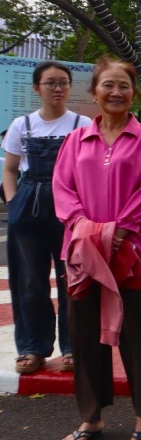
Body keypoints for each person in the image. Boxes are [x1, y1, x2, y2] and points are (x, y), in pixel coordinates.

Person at [52, 59, 141, 440]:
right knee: (83, 333)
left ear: (133, 92)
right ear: (95, 92)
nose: (115, 93)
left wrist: (117, 233)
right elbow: (62, 189)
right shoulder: (74, 140)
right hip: (83, 249)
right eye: (108, 86)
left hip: (128, 248)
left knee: (135, 331)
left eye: (124, 86)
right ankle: (91, 415)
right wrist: (86, 228)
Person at [2, 61, 90, 374]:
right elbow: (10, 170)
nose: (58, 88)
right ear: (36, 87)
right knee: (28, 282)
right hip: (28, 207)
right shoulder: (21, 125)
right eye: (50, 82)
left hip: (70, 209)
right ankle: (32, 348)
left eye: (63, 82)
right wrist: (13, 205)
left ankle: (73, 347)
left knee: (73, 280)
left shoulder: (82, 124)